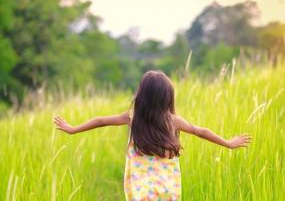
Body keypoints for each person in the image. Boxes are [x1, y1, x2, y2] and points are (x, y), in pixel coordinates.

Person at [54, 70, 251, 201]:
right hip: (167, 189)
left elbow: (100, 120)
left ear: (142, 95)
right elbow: (201, 132)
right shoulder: (172, 121)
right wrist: (229, 143)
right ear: (168, 97)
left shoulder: (133, 118)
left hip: (141, 191)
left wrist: (73, 129)